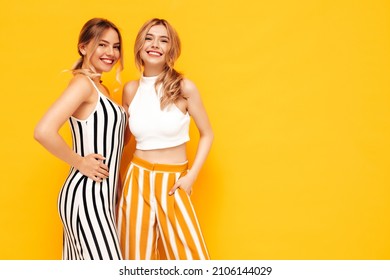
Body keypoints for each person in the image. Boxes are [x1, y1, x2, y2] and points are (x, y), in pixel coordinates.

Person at [116, 18, 213, 260]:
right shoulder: (130, 90)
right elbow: (123, 139)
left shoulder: (184, 88)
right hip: (137, 179)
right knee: (135, 261)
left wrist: (191, 176)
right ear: (140, 45)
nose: (155, 44)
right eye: (149, 38)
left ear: (172, 48)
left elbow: (207, 134)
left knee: (191, 261)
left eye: (163, 40)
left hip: (173, 182)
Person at [34, 18, 126, 260]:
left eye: (116, 46)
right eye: (102, 45)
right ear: (84, 47)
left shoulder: (102, 89)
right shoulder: (83, 84)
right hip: (86, 198)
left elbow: (114, 143)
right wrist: (80, 162)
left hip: (102, 199)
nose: (111, 53)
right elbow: (43, 131)